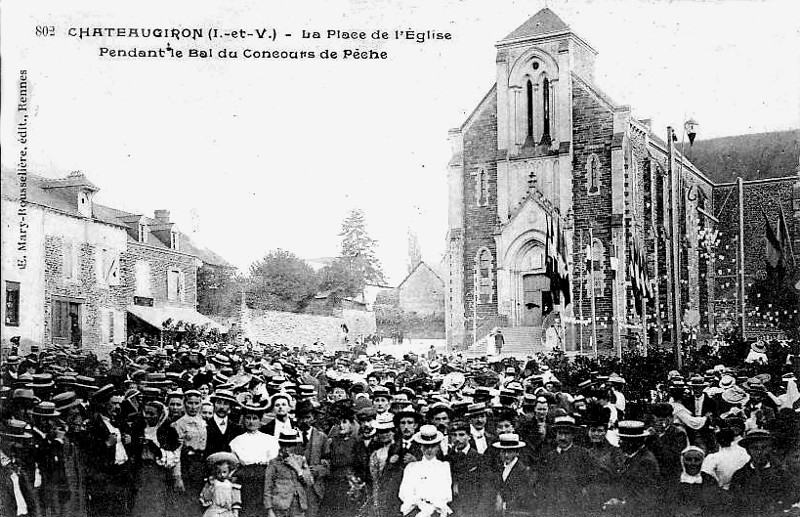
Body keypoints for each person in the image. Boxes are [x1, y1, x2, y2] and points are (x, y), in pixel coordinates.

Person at [229, 401, 279, 517]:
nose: (251, 421)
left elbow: (273, 462)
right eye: (248, 418)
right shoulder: (237, 441)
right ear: (244, 419)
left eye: (255, 418)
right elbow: (235, 463)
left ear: (260, 420)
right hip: (245, 478)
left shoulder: (269, 440)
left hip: (264, 477)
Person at [728, 429, 793, 516]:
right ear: (748, 451)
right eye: (754, 448)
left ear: (770, 448)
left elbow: (791, 499)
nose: (759, 452)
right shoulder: (739, 476)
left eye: (764, 447)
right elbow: (735, 506)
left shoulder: (782, 474)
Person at [398, 424, 453, 517]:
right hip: (414, 509)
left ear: (438, 447)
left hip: (437, 510)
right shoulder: (411, 468)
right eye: (426, 446)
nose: (429, 450)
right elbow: (405, 492)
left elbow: (446, 493)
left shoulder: (444, 467)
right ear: (421, 447)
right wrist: (420, 505)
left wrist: (431, 507)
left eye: (433, 446)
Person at [263, 430, 315, 517]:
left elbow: (310, 482)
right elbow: (267, 488)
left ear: (294, 446)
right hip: (280, 506)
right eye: (284, 445)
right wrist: (269, 510)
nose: (286, 449)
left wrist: (298, 469)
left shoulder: (300, 460)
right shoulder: (274, 463)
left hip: (298, 506)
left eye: (290, 446)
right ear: (280, 445)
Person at [322, 406, 361, 517]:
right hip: (333, 481)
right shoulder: (333, 441)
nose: (341, 425)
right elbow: (329, 458)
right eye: (338, 423)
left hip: (349, 481)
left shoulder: (356, 441)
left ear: (352, 424)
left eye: (344, 422)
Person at [446, 420, 487, 517]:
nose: (457, 439)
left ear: (469, 436)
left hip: (473, 507)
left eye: (461, 435)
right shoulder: (446, 459)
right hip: (452, 509)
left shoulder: (479, 458)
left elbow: (485, 488)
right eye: (454, 435)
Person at [295, 400, 329, 517]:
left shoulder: (321, 437)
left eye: (307, 417)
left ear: (313, 417)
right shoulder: (290, 437)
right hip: (294, 487)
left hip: (314, 488)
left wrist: (318, 469)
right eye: (301, 418)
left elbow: (329, 461)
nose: (304, 421)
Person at [489, 433, 533, 517]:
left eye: (510, 451)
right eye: (503, 451)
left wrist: (504, 505)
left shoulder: (524, 471)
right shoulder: (499, 468)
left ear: (517, 452)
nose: (506, 455)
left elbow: (524, 496)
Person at [669, 446, 721, 517]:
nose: (692, 463)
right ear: (683, 461)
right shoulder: (673, 480)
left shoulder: (710, 480)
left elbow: (714, 507)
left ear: (702, 461)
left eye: (697, 460)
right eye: (688, 459)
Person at [700, 426, 750, 490]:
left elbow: (707, 475)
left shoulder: (714, 457)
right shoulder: (743, 452)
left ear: (717, 440)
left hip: (724, 490)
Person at [200, 452, 242, 517]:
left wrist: (235, 513)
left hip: (227, 512)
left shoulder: (232, 485)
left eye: (224, 472)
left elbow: (235, 501)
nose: (222, 475)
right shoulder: (213, 483)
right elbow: (206, 497)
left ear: (229, 471)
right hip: (214, 512)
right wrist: (210, 486)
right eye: (219, 472)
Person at [207, 389, 243, 455]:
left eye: (226, 404)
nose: (221, 407)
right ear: (214, 404)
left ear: (230, 407)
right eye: (219, 402)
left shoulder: (236, 428)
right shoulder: (206, 425)